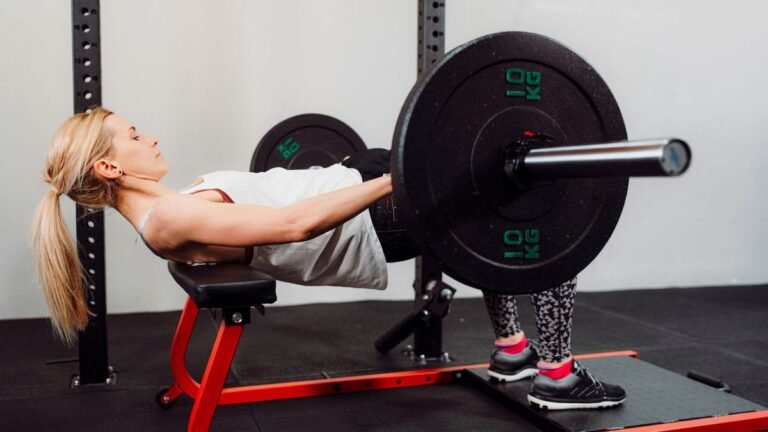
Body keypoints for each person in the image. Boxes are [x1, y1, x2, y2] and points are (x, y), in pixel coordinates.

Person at [32, 107, 625, 410]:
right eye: (134, 136)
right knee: (542, 225)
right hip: (374, 215)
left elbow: (275, 201)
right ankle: (556, 377)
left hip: (362, 194)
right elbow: (294, 223)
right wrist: (400, 177)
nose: (150, 138)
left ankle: (514, 352)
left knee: (494, 213)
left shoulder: (172, 205)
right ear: (110, 167)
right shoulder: (167, 219)